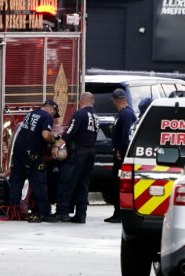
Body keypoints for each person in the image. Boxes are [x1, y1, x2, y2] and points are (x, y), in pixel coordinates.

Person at [8, 100, 60, 223]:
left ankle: (13, 211)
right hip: (33, 154)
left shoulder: (31, 114)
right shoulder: (47, 116)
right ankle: (44, 212)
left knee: (17, 181)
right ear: (52, 109)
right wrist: (55, 142)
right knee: (39, 183)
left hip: (19, 151)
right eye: (54, 113)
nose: (53, 116)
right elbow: (46, 135)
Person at [53, 92, 99, 224]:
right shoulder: (95, 116)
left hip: (78, 152)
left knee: (66, 181)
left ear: (81, 100)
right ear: (92, 101)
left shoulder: (80, 114)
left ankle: (62, 212)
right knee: (83, 184)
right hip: (91, 151)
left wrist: (57, 145)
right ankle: (80, 214)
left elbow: (70, 132)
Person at [105, 88, 136, 223]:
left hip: (121, 157)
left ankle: (120, 213)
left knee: (119, 185)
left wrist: (121, 151)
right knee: (115, 185)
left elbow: (126, 134)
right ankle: (117, 212)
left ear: (114, 100)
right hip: (119, 155)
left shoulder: (126, 114)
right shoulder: (124, 114)